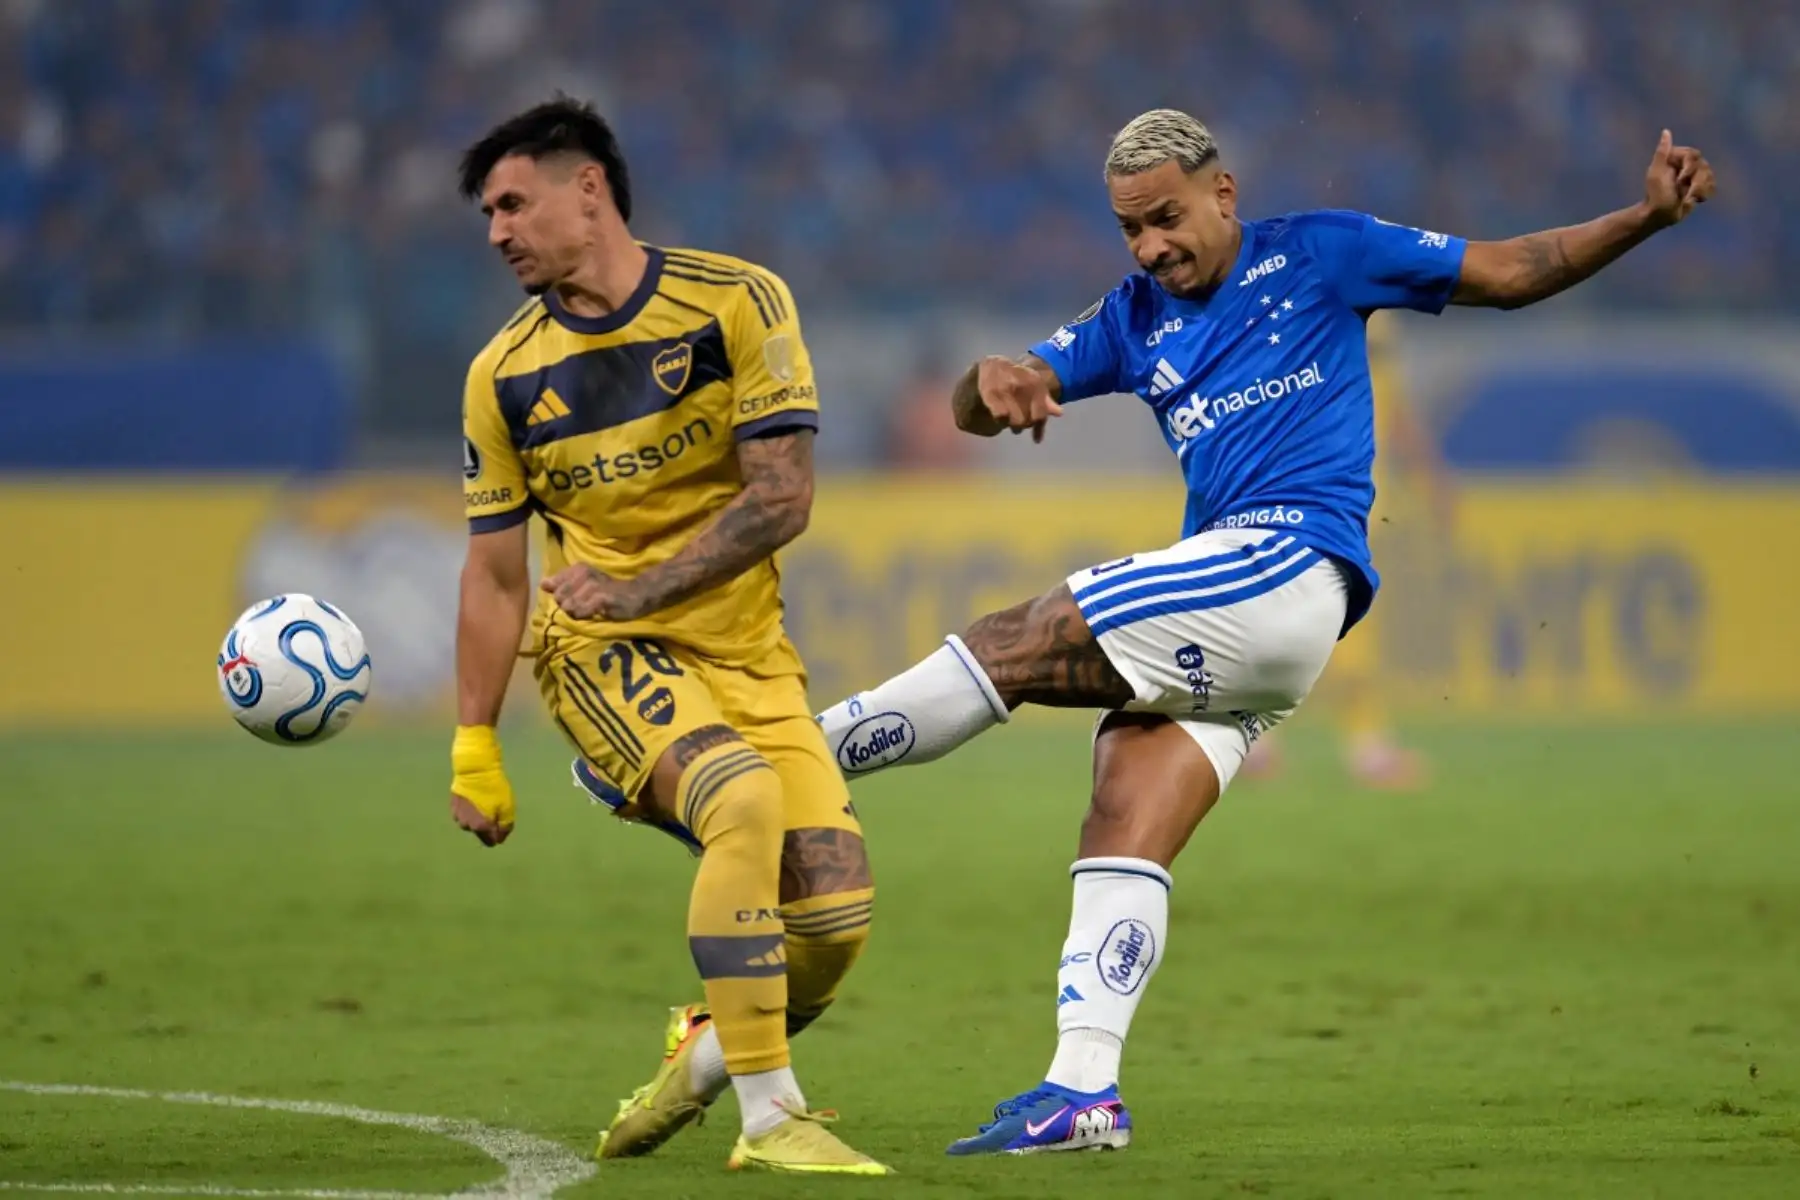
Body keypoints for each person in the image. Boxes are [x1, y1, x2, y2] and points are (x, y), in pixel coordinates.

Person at [815, 109, 1714, 1155]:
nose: (1151, 246)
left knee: (1022, 635)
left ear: (1223, 193)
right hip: (1267, 641)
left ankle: (779, 761)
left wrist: (1646, 219)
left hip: (1287, 560)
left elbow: (1512, 270)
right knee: (1124, 797)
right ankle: (1082, 1092)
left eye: (1165, 219)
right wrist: (991, 380)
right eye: (1129, 229)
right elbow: (998, 392)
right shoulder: (1135, 314)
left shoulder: (1325, 252)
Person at [448, 96, 886, 1176]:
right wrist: (475, 743)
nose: (497, 230)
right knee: (738, 798)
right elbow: (499, 573)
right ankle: (773, 1116)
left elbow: (782, 499)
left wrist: (641, 587)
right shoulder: (500, 376)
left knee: (832, 921)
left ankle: (706, 1057)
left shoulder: (736, 302)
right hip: (596, 651)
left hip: (746, 654)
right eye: (487, 214)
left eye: (513, 202)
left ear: (586, 186)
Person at [1239, 310, 1452, 790]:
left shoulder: (1372, 306)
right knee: (1328, 619)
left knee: (1326, 618)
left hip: (1358, 498)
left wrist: (1433, 480)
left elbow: (1393, 406)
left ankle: (1263, 742)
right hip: (1313, 497)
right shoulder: (1303, 303)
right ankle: (1362, 748)